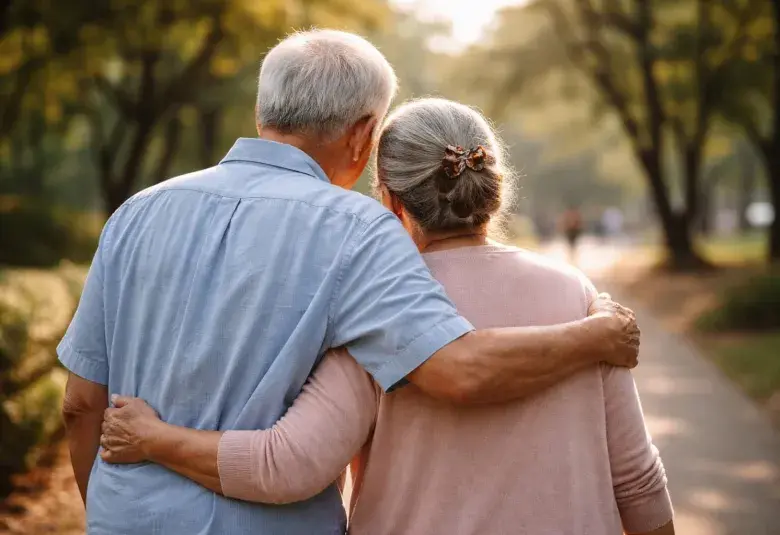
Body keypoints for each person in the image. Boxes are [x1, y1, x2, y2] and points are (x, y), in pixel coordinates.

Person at [60, 31, 639, 534]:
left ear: (265, 111)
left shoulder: (135, 212)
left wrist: (114, 512)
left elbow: (81, 404)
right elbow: (457, 368)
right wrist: (597, 336)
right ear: (364, 136)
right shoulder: (357, 230)